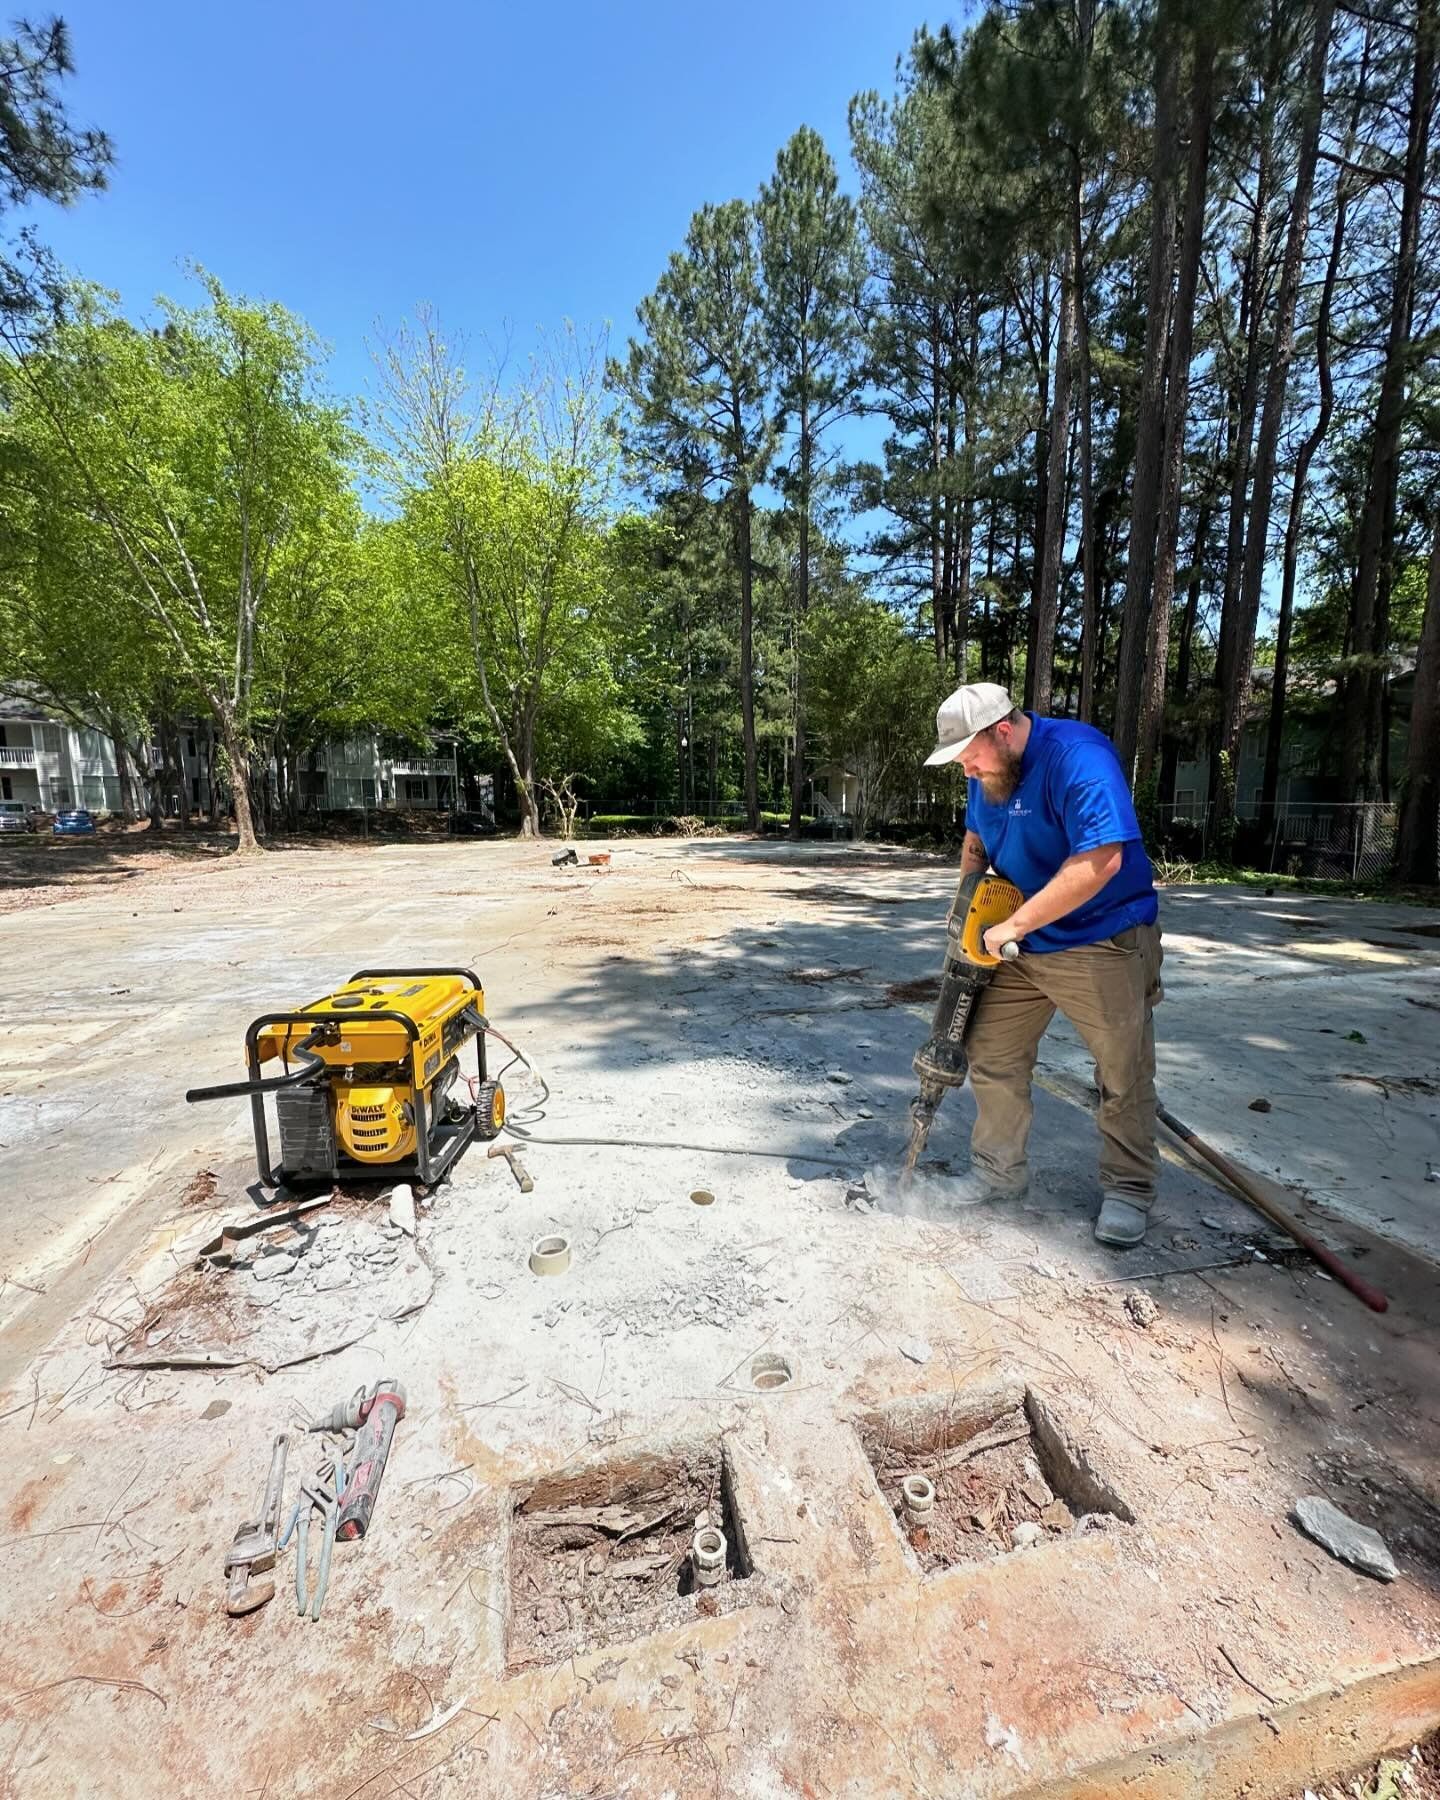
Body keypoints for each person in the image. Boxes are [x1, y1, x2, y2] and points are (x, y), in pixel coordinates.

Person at [923, 681, 1163, 1247]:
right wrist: (966, 904)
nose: (967, 772)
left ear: (1003, 731)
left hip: (1100, 939)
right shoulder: (989, 772)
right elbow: (976, 840)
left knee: (1122, 1070)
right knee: (991, 1053)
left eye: (970, 757)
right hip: (1020, 945)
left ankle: (1129, 1188)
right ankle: (997, 1176)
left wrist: (1015, 925)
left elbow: (1103, 859)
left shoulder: (1077, 757)